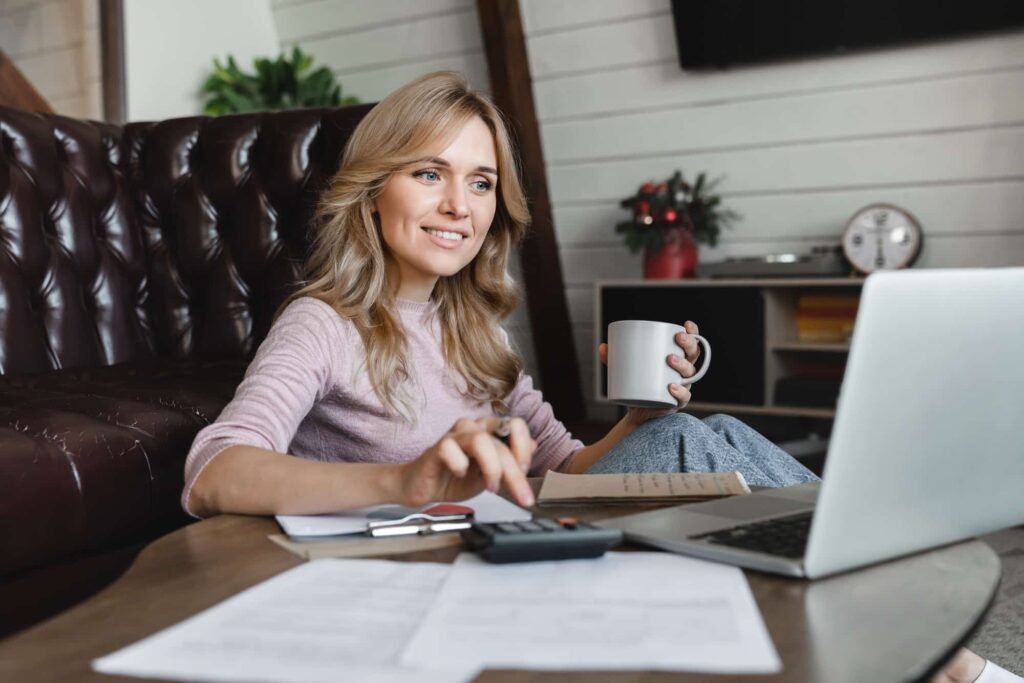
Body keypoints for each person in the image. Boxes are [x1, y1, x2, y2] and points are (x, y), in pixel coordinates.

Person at [181, 71, 1015, 683]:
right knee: (698, 444)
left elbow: (566, 467)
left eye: (480, 182)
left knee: (698, 431)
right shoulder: (324, 323)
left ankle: (918, 643)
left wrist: (637, 417)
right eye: (428, 172)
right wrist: (404, 477)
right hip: (443, 558)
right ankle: (940, 654)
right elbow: (215, 470)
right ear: (373, 191)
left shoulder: (474, 327)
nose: (458, 206)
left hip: (537, 523)